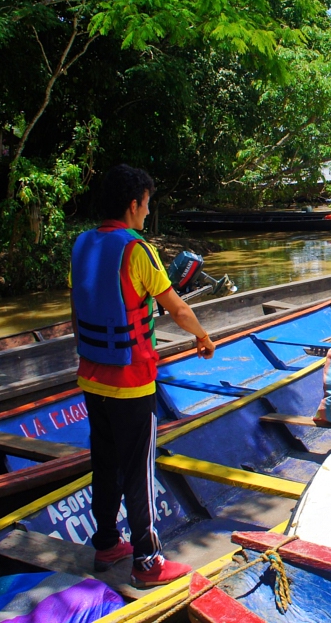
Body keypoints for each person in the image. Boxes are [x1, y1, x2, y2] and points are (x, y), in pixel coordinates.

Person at [70, 164, 216, 588]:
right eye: (148, 203)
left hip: (91, 377)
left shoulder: (81, 245)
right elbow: (177, 308)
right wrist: (203, 336)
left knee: (106, 463)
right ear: (134, 205)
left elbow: (77, 312)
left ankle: (105, 543)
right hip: (131, 382)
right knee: (138, 470)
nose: (148, 211)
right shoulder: (137, 250)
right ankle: (147, 560)